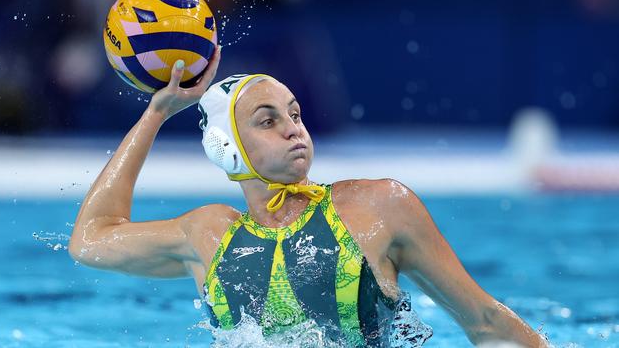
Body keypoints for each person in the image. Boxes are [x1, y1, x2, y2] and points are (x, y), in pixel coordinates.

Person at [68, 45, 548, 347]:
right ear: (226, 148)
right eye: (268, 120)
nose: (293, 129)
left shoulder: (377, 207)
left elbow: (485, 322)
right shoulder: (208, 235)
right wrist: (157, 114)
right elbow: (89, 240)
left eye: (294, 114)